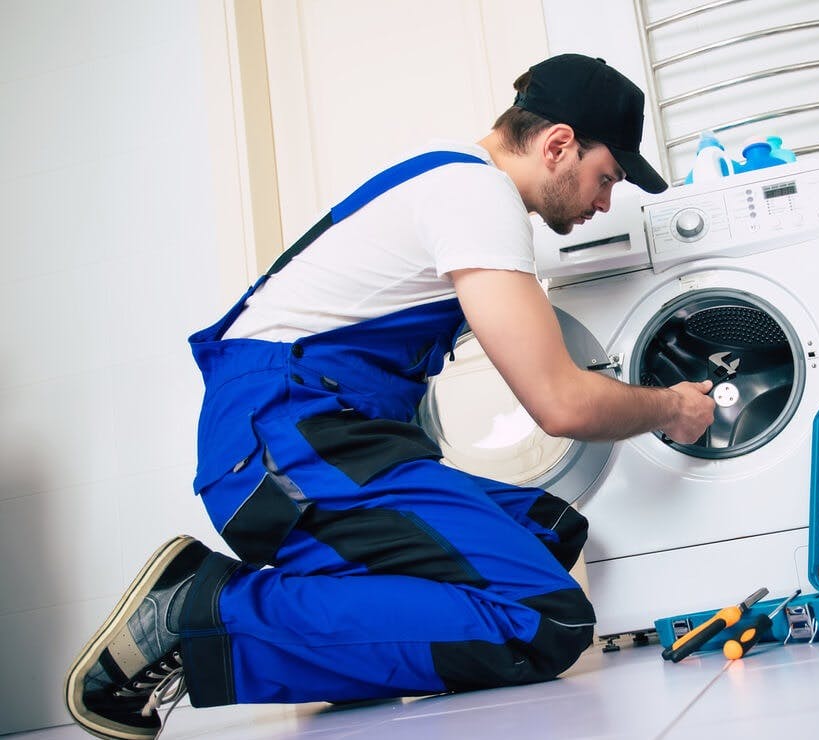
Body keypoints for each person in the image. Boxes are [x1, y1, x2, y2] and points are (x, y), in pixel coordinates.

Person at [65, 53, 715, 740]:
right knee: (546, 620)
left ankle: (345, 660)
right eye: (605, 177)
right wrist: (671, 406)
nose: (604, 201)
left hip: (305, 438)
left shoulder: (451, 182)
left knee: (548, 534)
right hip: (283, 439)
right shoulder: (476, 197)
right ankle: (201, 611)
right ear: (558, 145)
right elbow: (562, 405)